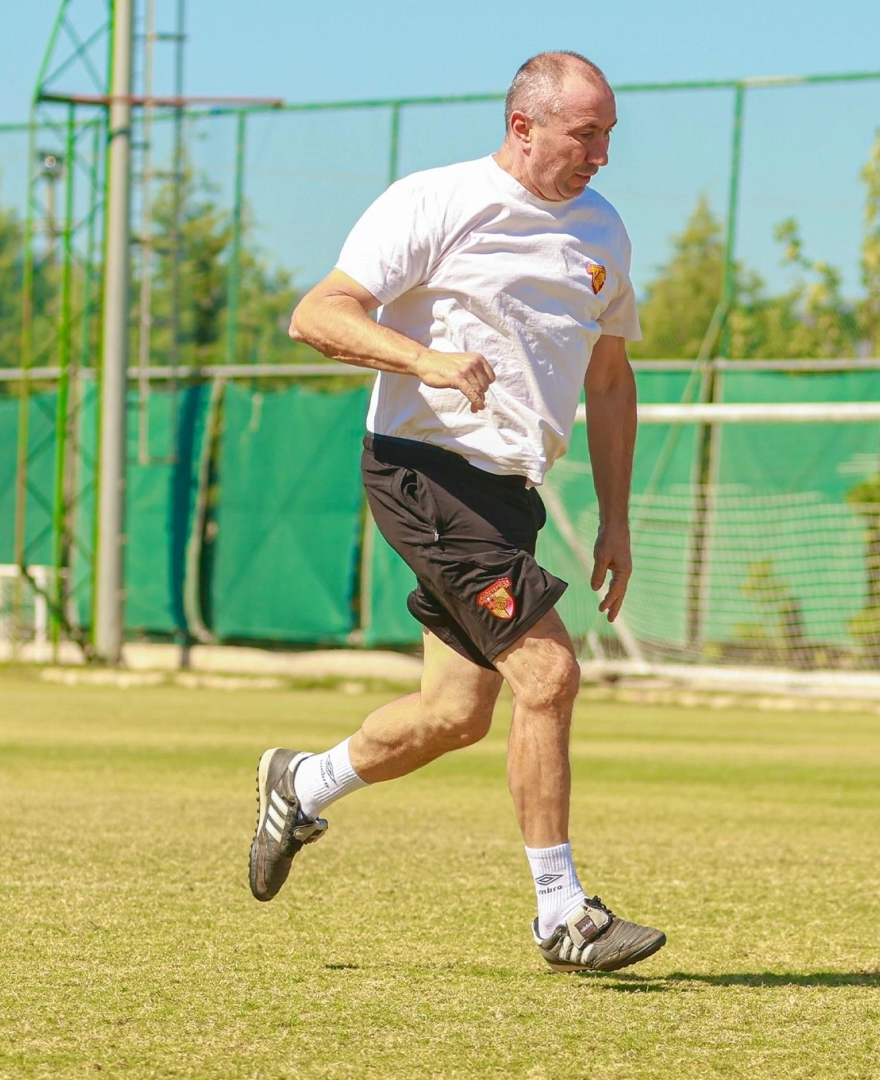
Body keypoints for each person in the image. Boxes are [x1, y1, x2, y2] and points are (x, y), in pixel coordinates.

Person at [247, 51, 663, 975]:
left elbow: (608, 376)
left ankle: (301, 783)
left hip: (507, 497)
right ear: (524, 125)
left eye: (609, 135)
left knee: (454, 713)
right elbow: (318, 314)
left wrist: (617, 518)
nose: (601, 154)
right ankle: (562, 913)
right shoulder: (434, 201)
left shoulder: (604, 231)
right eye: (584, 133)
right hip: (422, 471)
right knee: (549, 674)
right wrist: (422, 360)